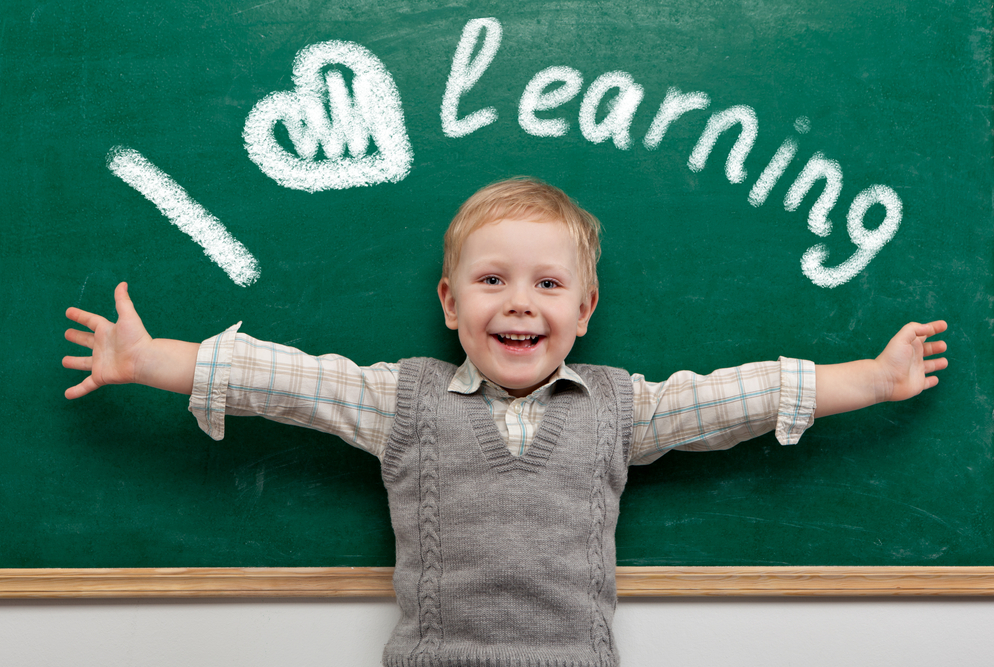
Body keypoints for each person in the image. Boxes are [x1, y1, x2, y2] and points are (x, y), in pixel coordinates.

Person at [63, 177, 948, 667]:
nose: (519, 303)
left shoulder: (618, 407)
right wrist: (153, 360)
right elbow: (285, 380)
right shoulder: (399, 400)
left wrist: (870, 379)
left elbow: (734, 399)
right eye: (492, 281)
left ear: (585, 308)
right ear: (450, 303)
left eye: (546, 284)